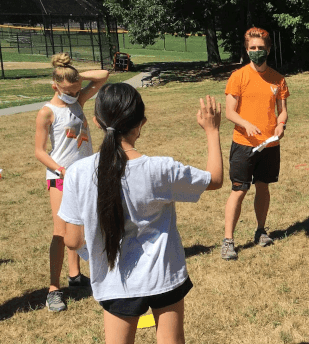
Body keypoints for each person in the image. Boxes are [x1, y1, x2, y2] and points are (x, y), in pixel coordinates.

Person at [58, 83, 224, 344]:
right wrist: (212, 131)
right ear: (141, 123)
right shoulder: (160, 169)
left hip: (114, 282)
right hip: (164, 275)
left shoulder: (77, 173)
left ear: (96, 122)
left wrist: (97, 252)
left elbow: (72, 240)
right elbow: (214, 179)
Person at [34, 52, 109, 312]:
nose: (74, 94)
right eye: (68, 90)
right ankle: (54, 290)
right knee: (61, 233)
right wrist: (61, 170)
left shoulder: (78, 101)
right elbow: (40, 151)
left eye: (77, 89)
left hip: (85, 175)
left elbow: (103, 76)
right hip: (60, 178)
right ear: (54, 85)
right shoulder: (47, 112)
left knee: (82, 226)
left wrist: (76, 76)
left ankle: (75, 276)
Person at [221, 27, 289, 260]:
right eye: (252, 48)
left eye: (261, 48)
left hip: (269, 145)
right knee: (239, 190)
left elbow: (283, 112)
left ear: (268, 49)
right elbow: (230, 112)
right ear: (247, 49)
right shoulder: (238, 77)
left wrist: (281, 126)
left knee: (263, 186)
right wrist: (246, 124)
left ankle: (261, 231)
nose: (257, 52)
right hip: (243, 144)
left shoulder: (278, 80)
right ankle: (228, 240)